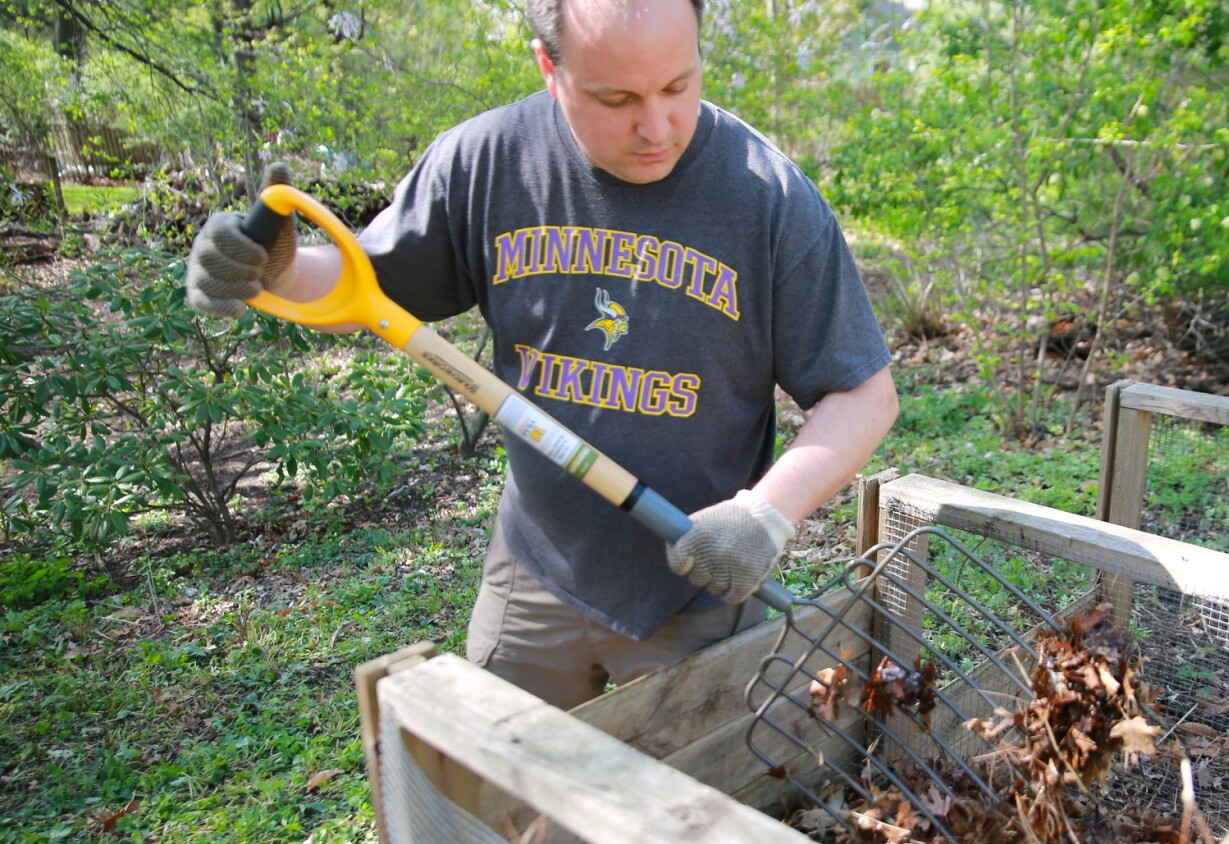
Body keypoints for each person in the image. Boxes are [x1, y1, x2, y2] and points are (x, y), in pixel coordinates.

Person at [186, 0, 896, 711]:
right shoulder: (488, 161)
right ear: (549, 69)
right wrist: (275, 270)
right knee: (499, 775)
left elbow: (865, 395)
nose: (656, 127)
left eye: (678, 86)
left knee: (692, 781)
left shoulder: (767, 196)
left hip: (697, 588)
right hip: (534, 571)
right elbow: (364, 289)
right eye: (616, 99)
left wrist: (767, 514)